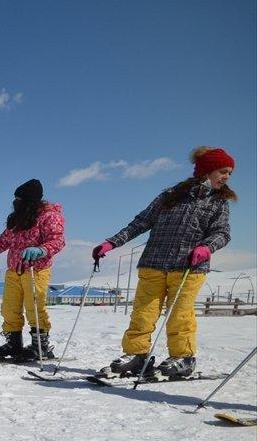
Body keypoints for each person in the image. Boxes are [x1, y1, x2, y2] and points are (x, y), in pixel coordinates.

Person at [94, 147, 234, 379]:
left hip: (189, 267)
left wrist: (206, 247)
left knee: (180, 314)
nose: (227, 177)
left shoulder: (219, 202)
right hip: (153, 263)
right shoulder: (171, 195)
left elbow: (222, 233)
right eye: (223, 171)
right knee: (142, 314)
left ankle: (183, 358)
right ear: (207, 170)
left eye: (229, 173)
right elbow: (141, 222)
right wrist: (112, 243)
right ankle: (137, 356)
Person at [0, 179, 66, 361]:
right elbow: (2, 243)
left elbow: (58, 241)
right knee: (9, 308)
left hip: (35, 270)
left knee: (34, 307)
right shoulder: (16, 220)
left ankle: (40, 346)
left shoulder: (50, 216)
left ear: (30, 201)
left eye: (19, 200)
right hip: (13, 271)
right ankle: (14, 343)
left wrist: (41, 250)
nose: (15, 203)